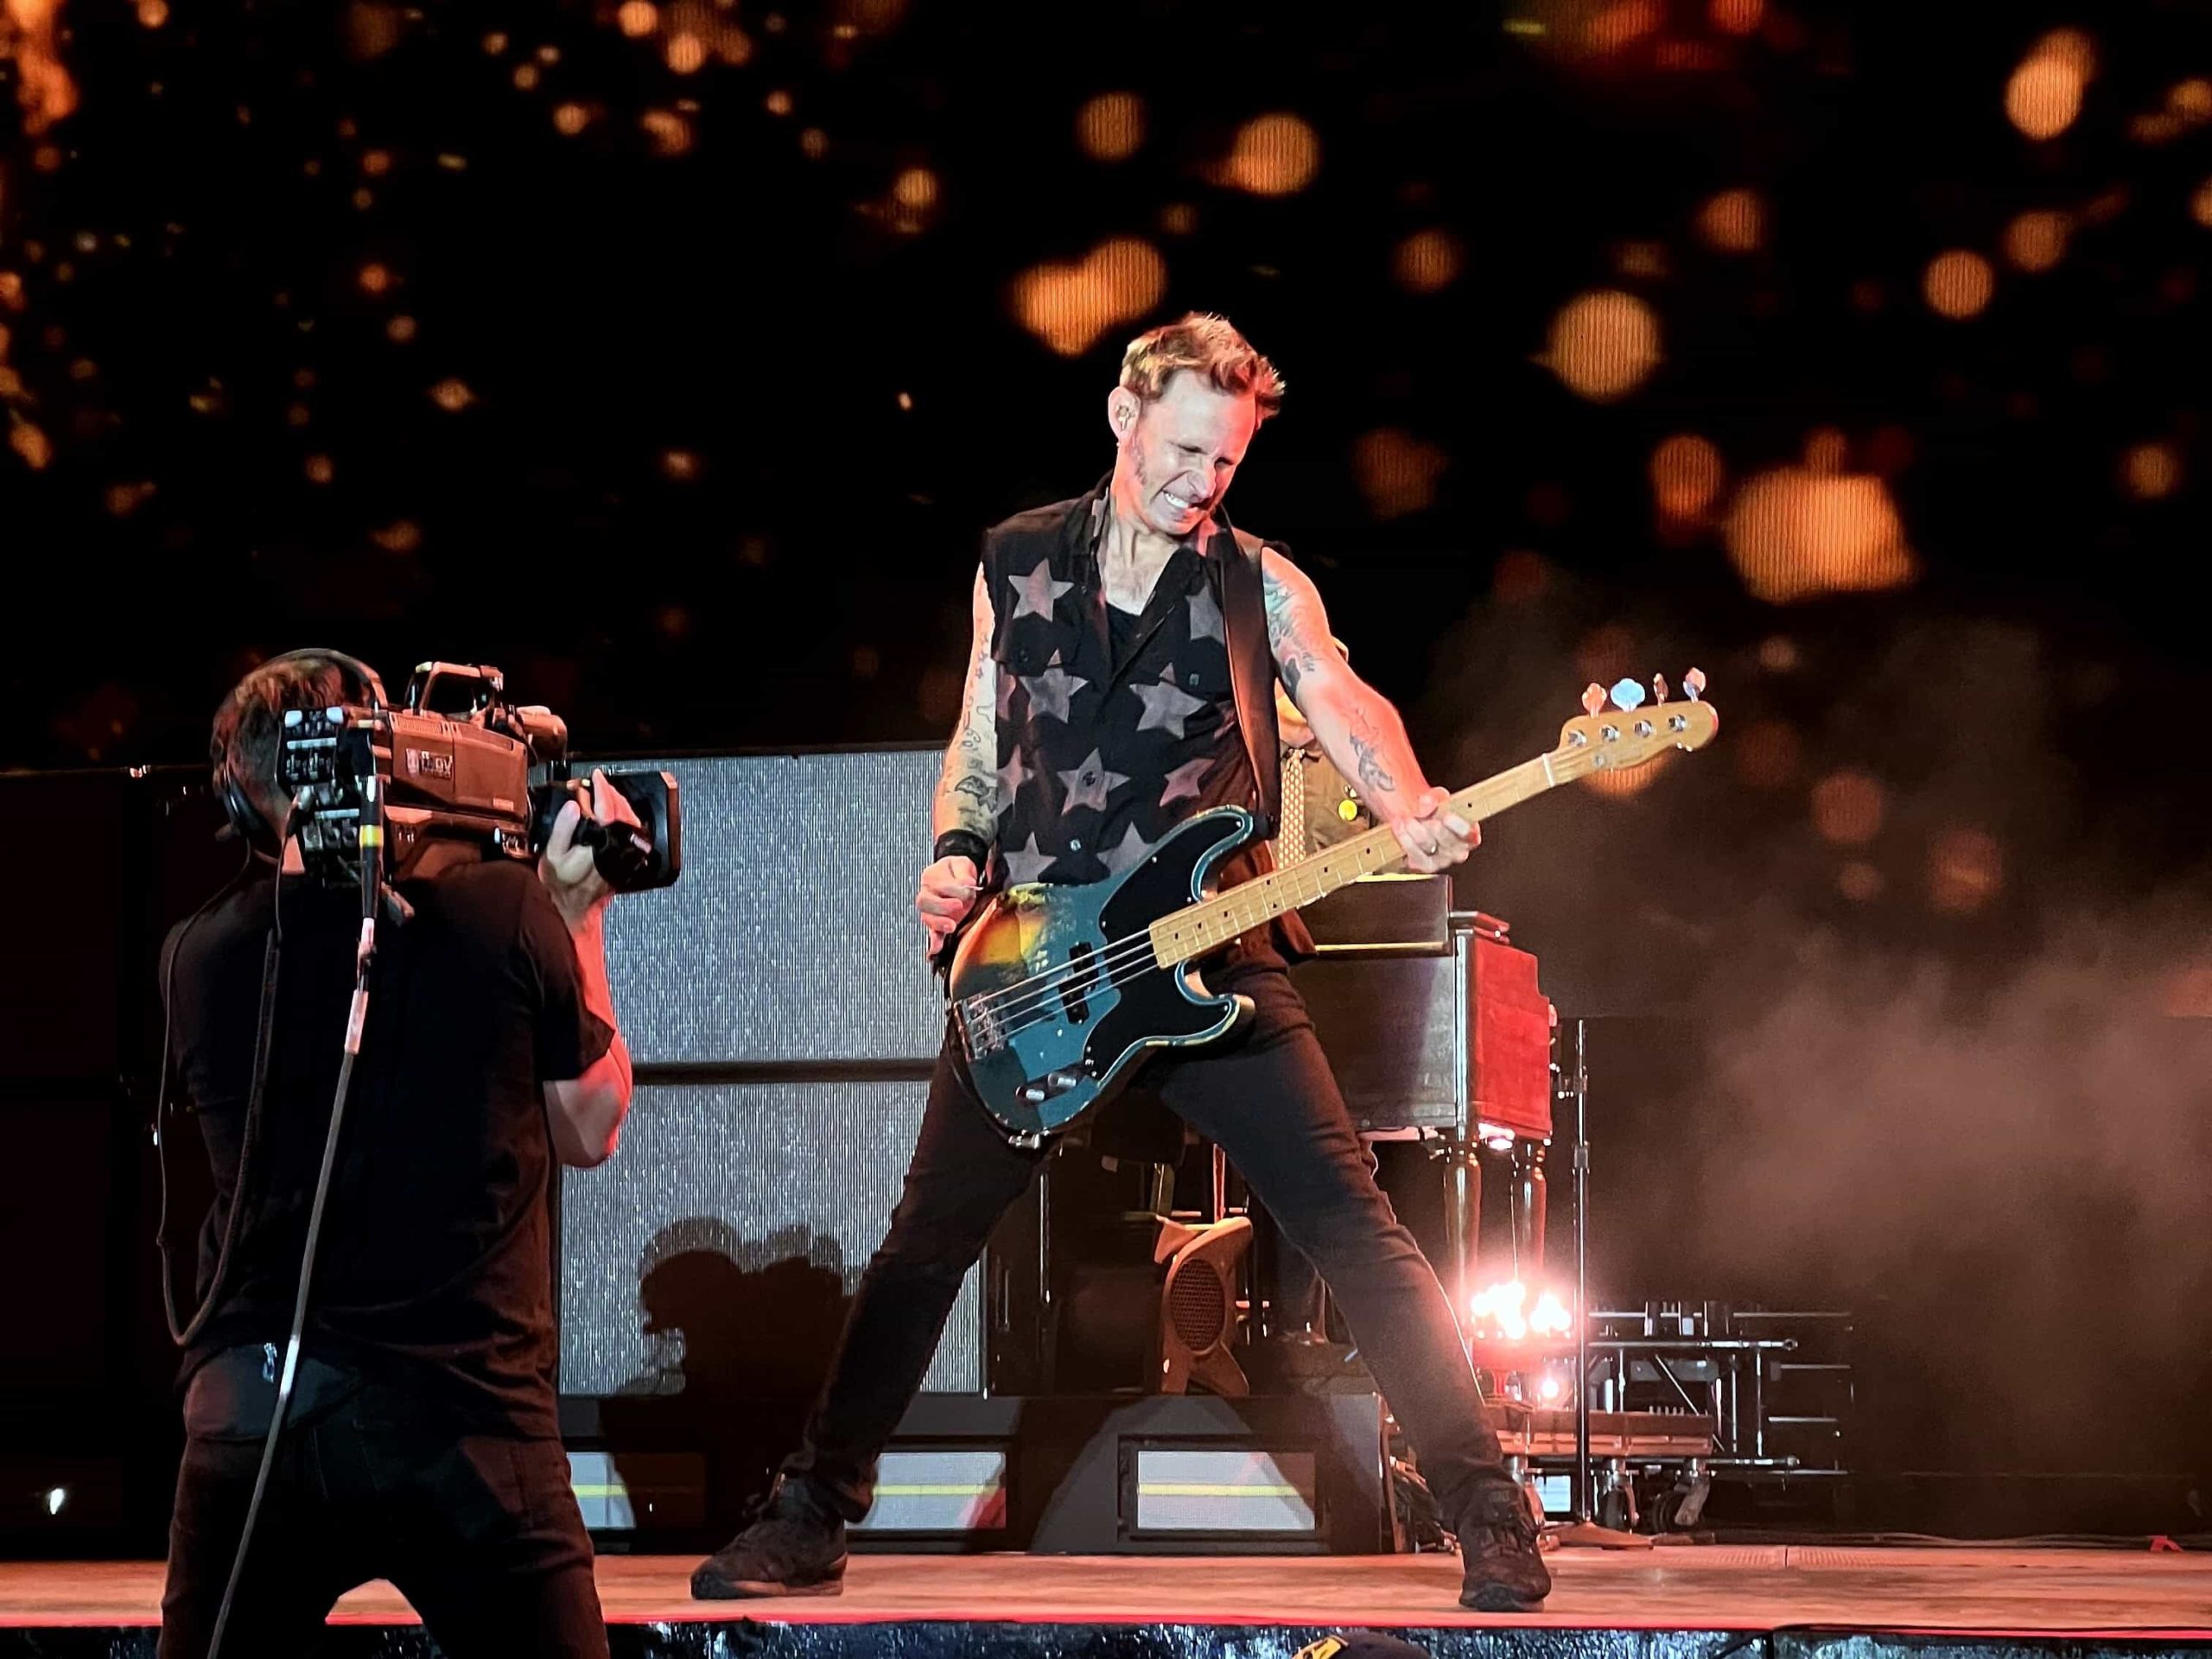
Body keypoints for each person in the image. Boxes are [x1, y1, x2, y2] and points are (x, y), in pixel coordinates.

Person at [690, 314, 1549, 1611]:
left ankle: (1489, 1516)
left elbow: (1336, 694)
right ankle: (810, 1515)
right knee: (924, 1244)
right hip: (1045, 969)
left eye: (1227, 463)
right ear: (1122, 417)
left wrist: (1410, 796)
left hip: (1216, 954)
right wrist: (955, 852)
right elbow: (981, 732)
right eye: (1186, 450)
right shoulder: (1017, 562)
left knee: (1354, 1229)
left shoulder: (1258, 581)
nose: (1201, 484)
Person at [157, 651, 638, 1659]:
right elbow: (590, 1125)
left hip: (256, 1415)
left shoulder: (196, 956)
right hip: (465, 1421)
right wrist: (577, 917)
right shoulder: (508, 912)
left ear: (245, 801)